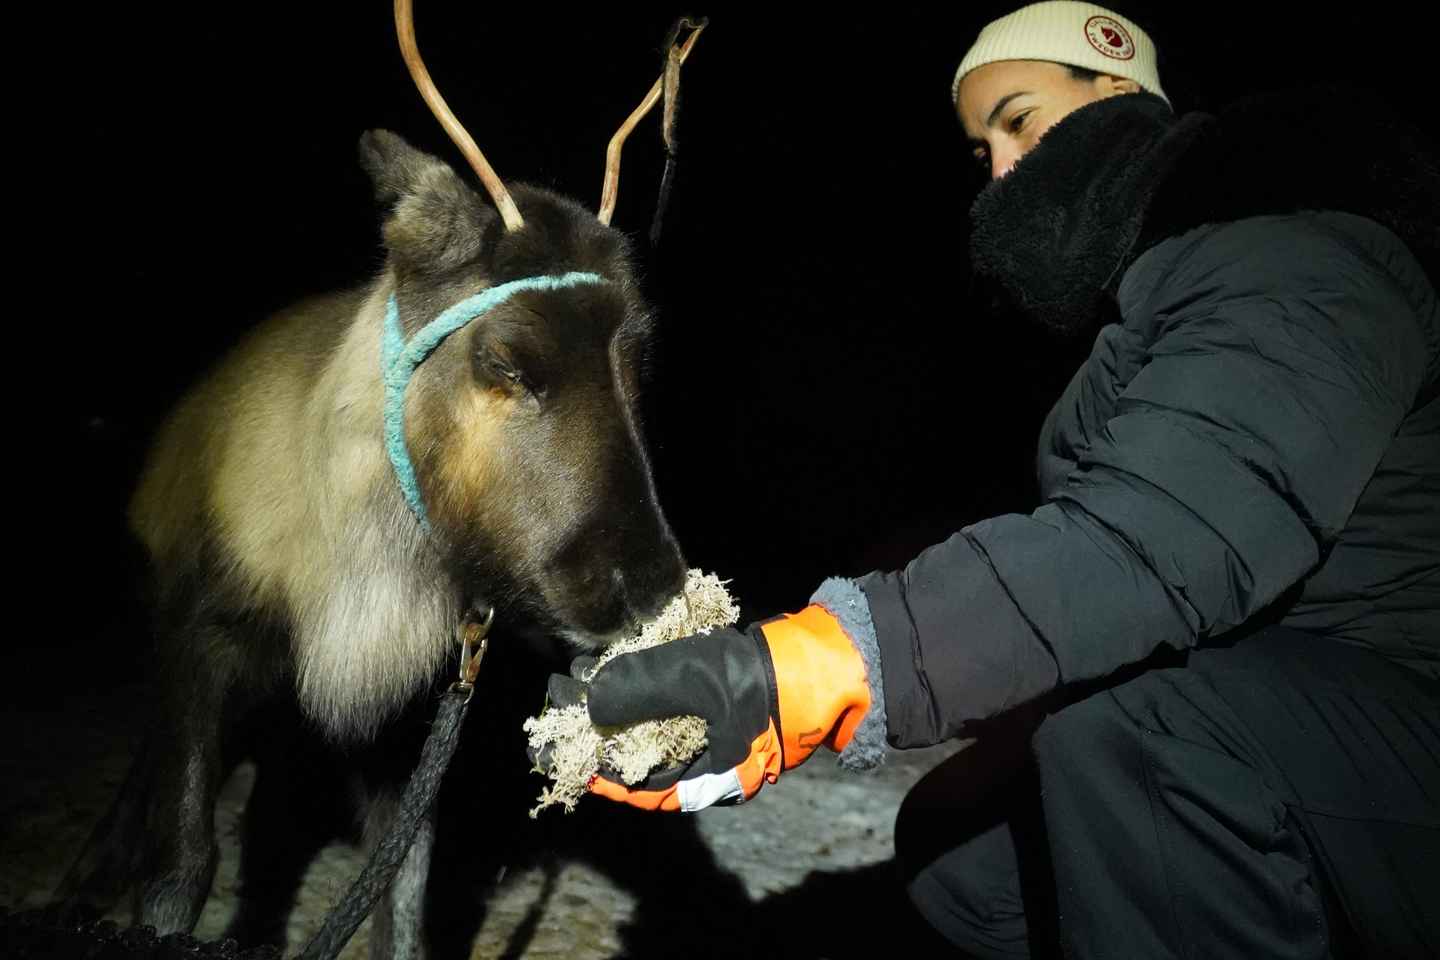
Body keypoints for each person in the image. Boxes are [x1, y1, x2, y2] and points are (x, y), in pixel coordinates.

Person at [552, 3, 1440, 955]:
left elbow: (1149, 544)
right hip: (1297, 697)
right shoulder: (1146, 301)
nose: (1005, 169)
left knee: (1140, 753)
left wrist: (809, 672)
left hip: (1400, 702)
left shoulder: (1297, 251)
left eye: (1021, 119)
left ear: (1121, 92)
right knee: (965, 857)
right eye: (981, 151)